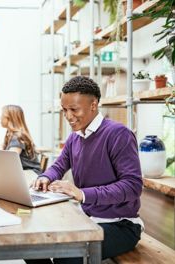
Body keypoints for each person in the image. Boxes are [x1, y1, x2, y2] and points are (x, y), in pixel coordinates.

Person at [27, 76, 143, 264]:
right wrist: (46, 177)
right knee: (31, 242)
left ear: (93, 105)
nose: (68, 116)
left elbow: (132, 187)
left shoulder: (118, 134)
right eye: (64, 110)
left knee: (67, 256)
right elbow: (59, 165)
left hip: (120, 224)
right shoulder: (75, 137)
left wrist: (81, 193)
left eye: (74, 109)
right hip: (85, 216)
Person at [1, 105, 41, 174]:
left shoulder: (18, 137)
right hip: (24, 172)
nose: (0, 118)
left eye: (2, 115)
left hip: (30, 174)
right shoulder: (10, 135)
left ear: (10, 118)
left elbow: (9, 159)